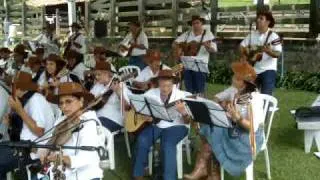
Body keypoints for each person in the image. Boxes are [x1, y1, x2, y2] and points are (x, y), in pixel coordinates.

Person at [184, 61, 265, 180]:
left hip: (249, 136)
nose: (232, 78)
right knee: (210, 126)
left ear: (243, 83)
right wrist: (223, 104)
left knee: (213, 130)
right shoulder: (235, 90)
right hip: (235, 127)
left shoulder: (254, 98)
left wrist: (238, 118)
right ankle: (208, 170)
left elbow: (253, 127)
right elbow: (217, 97)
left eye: (235, 76)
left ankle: (207, 169)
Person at [133, 69, 191, 180]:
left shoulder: (181, 96)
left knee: (167, 144)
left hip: (177, 126)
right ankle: (138, 174)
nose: (165, 89)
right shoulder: (151, 93)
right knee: (142, 139)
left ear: (173, 83)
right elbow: (138, 105)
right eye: (162, 85)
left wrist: (183, 112)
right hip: (157, 125)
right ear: (158, 83)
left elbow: (188, 121)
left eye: (169, 86)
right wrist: (145, 115)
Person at [41, 82, 104, 180]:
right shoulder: (61, 120)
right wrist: (44, 151)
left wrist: (62, 159)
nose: (64, 107)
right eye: (61, 103)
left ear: (81, 101)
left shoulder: (89, 122)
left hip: (86, 175)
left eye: (68, 101)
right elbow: (49, 139)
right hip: (61, 171)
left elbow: (86, 157)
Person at [0, 72, 55, 179]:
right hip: (23, 145)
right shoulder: (27, 99)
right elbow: (26, 125)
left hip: (34, 149)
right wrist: (11, 121)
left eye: (14, 87)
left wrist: (19, 110)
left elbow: (39, 131)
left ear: (20, 88)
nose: (12, 90)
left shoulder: (36, 100)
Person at [240, 10, 282, 95]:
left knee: (266, 95)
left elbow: (278, 54)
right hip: (254, 69)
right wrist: (246, 55)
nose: (258, 20)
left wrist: (268, 51)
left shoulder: (274, 36)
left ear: (268, 22)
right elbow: (241, 46)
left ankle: (267, 108)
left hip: (268, 70)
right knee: (247, 94)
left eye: (261, 18)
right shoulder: (252, 34)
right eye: (258, 18)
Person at [173, 15, 217, 95]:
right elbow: (175, 43)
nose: (195, 25)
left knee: (200, 91)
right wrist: (179, 51)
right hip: (187, 65)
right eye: (193, 23)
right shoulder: (187, 34)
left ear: (202, 23)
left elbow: (214, 50)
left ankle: (200, 104)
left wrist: (208, 47)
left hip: (200, 67)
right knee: (188, 90)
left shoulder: (208, 34)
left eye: (197, 23)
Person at [90, 61, 129, 132]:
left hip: (113, 118)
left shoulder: (120, 85)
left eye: (99, 74)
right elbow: (89, 101)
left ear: (107, 73)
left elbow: (127, 108)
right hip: (96, 117)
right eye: (95, 75)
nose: (96, 77)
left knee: (93, 129)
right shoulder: (97, 85)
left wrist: (118, 92)